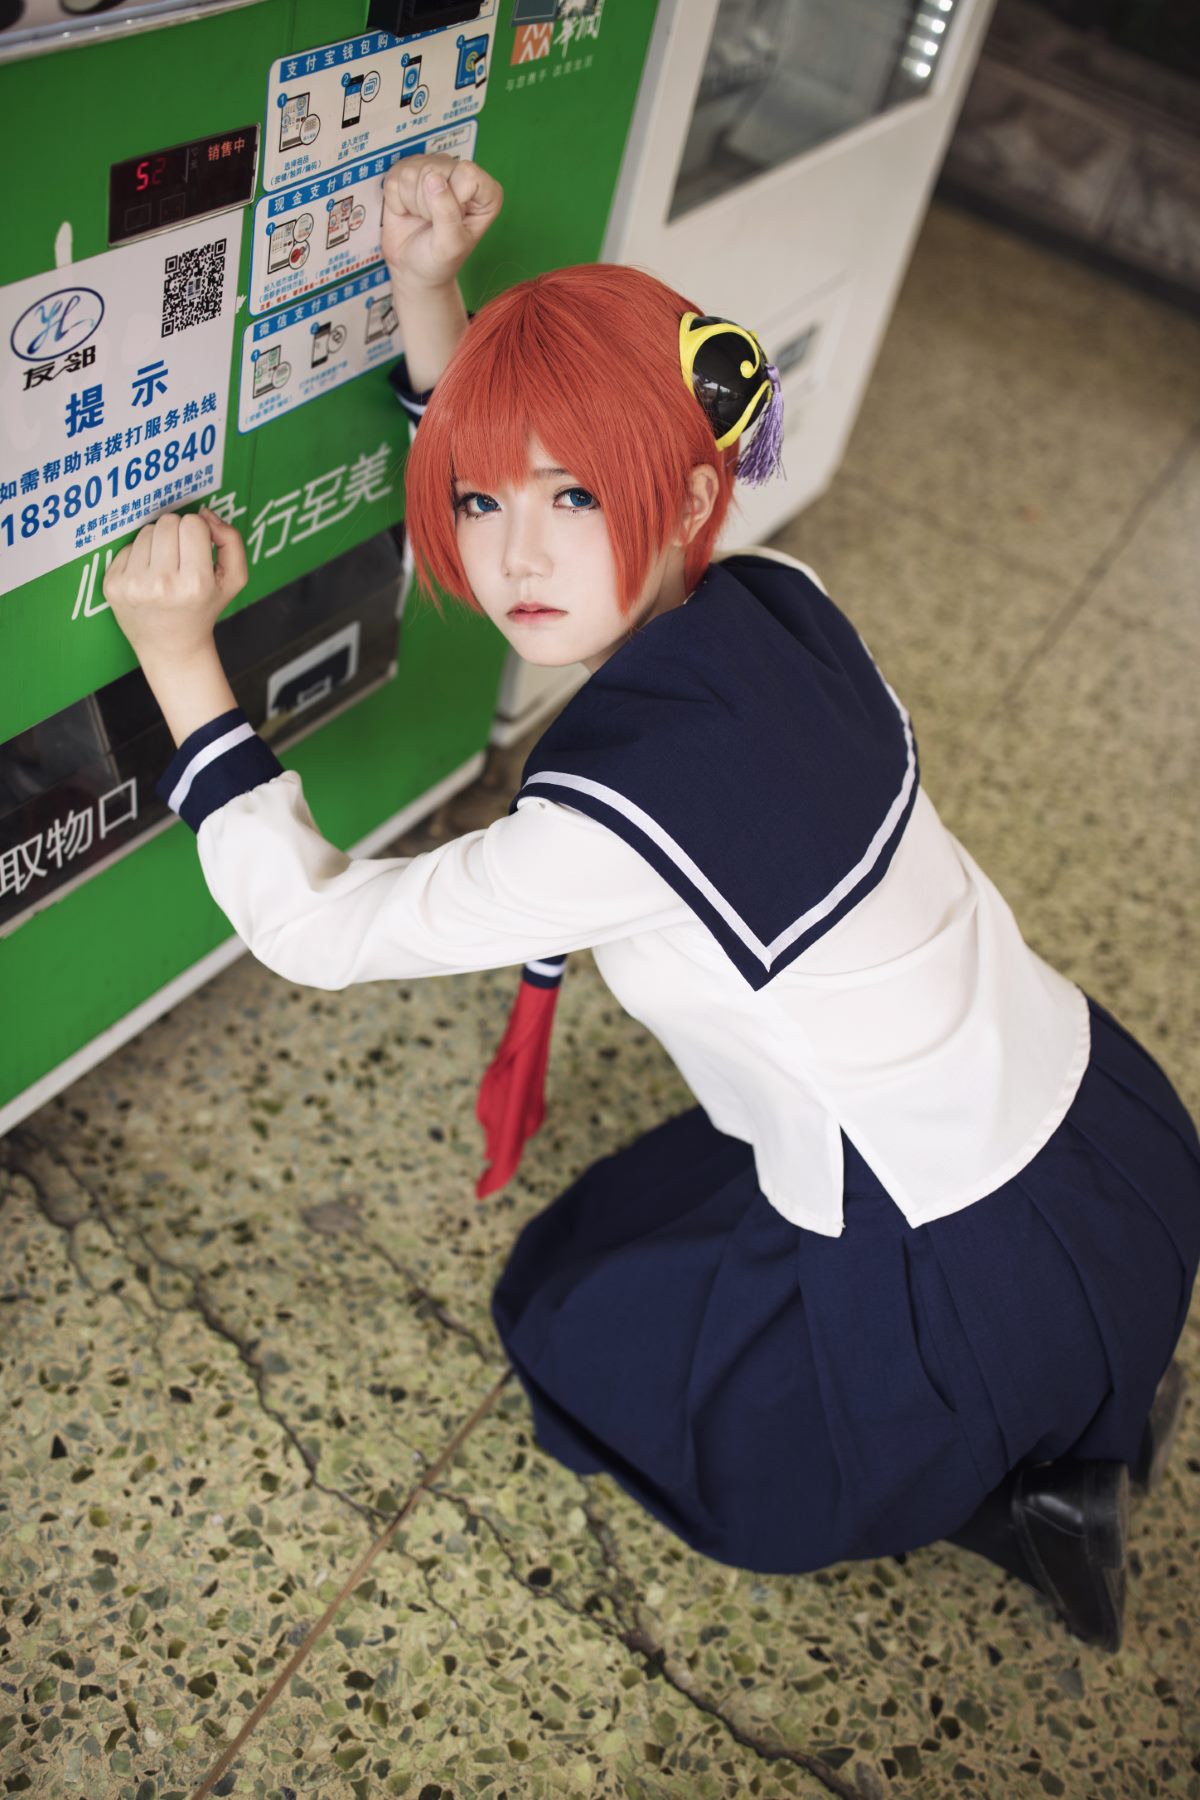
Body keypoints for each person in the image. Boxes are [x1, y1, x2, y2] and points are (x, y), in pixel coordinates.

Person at [102, 155, 1199, 1654]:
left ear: (682, 493)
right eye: (481, 502)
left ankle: (1023, 1488)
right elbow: (555, 530)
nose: (518, 553)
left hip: (954, 1251)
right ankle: (1077, 1401)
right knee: (636, 1228)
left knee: (570, 1323)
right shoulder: (781, 594)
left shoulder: (600, 829)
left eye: (575, 495)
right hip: (1097, 1114)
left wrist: (181, 660)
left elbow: (313, 930)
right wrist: (427, 289)